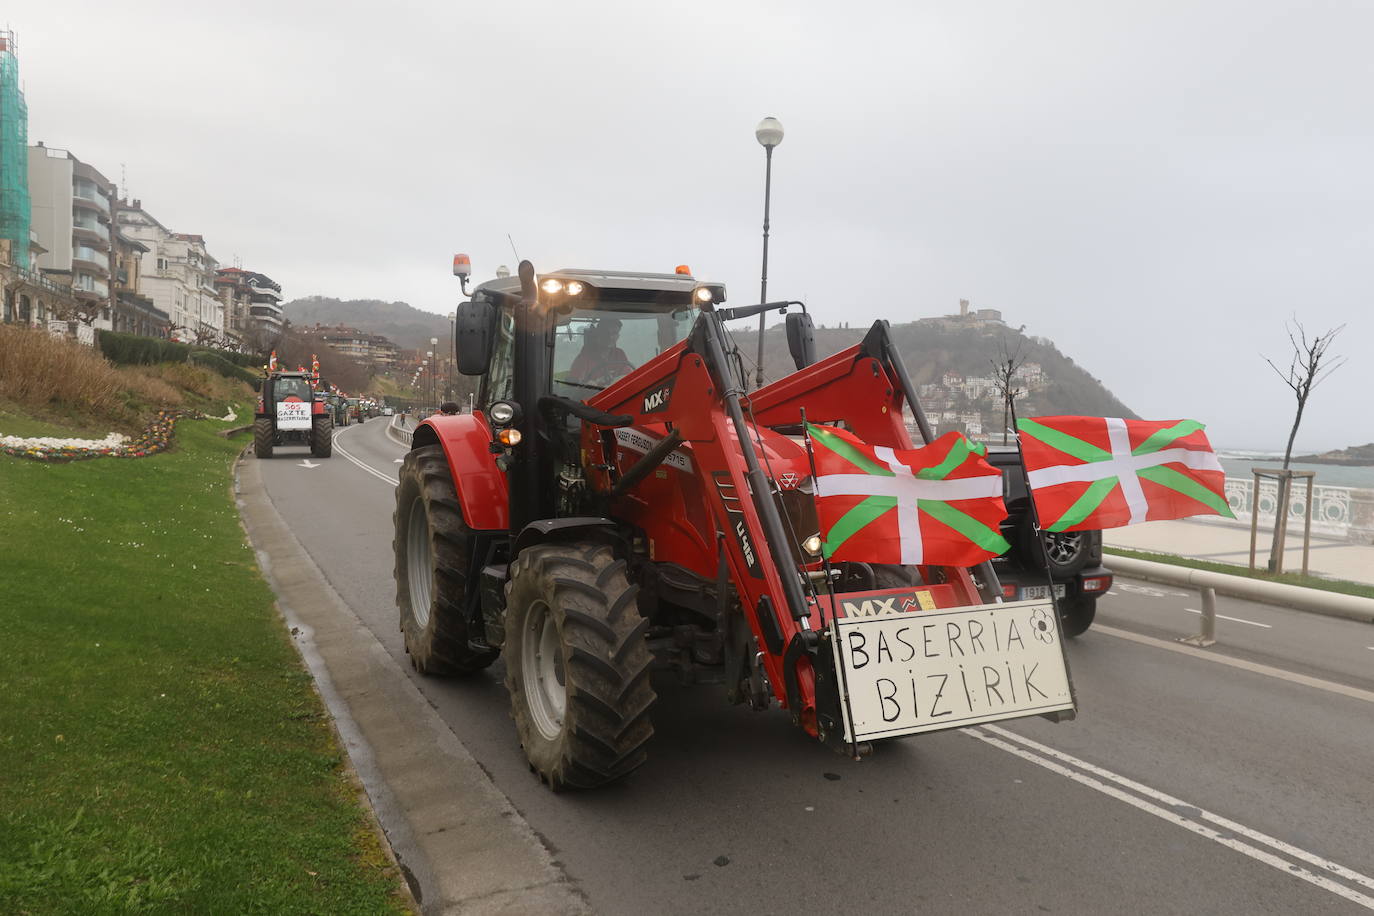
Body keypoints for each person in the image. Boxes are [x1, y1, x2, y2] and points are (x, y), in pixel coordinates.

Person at [568, 319, 634, 386]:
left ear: (618, 336)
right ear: (598, 334)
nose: (610, 337)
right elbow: (573, 385)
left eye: (614, 333)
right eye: (606, 333)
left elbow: (628, 376)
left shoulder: (619, 354)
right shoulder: (584, 358)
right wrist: (586, 385)